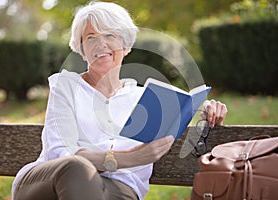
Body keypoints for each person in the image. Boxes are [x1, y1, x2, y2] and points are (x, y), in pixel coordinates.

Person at [12, 1, 228, 200]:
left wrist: (209, 109)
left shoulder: (146, 97)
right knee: (77, 167)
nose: (100, 44)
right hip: (47, 183)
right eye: (91, 38)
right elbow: (59, 153)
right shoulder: (66, 86)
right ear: (82, 50)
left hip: (118, 190)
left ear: (126, 47)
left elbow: (185, 106)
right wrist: (128, 159)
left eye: (110, 36)